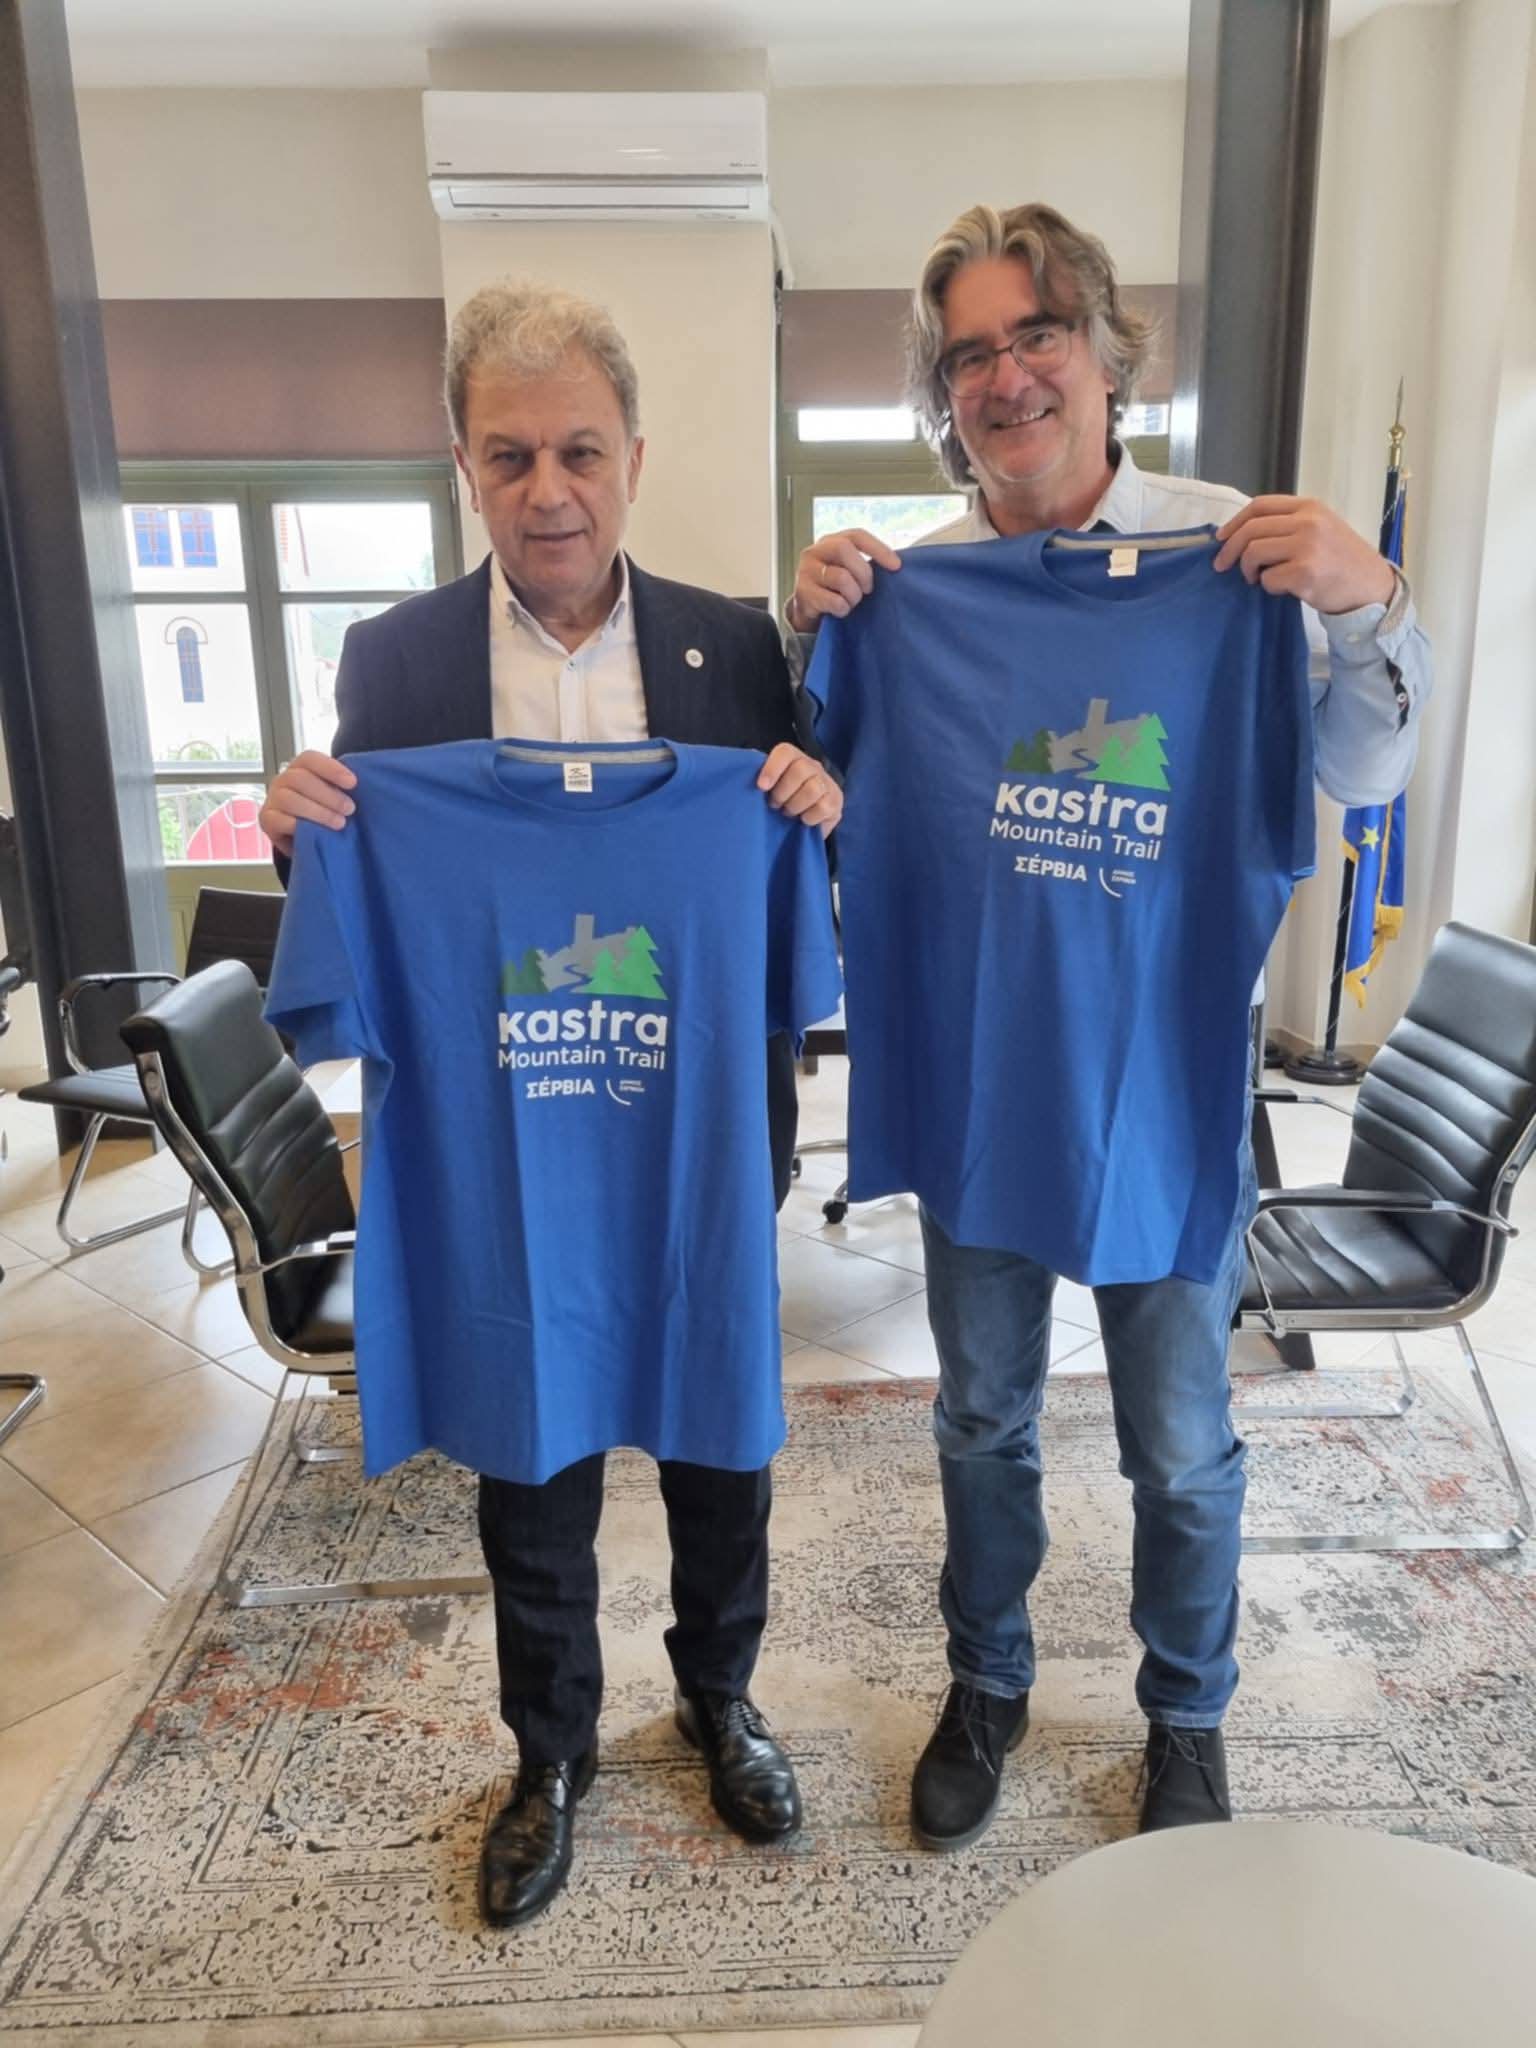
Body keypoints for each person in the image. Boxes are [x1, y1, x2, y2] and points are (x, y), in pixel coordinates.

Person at [788, 202, 1430, 1844]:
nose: (1008, 376)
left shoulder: (1232, 561)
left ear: (1103, 352)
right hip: (983, 1083)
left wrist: (1369, 601)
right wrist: (813, 638)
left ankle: (1187, 1719)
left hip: (1163, 1091)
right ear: (943, 394)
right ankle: (986, 1682)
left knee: (1183, 1446)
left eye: (1039, 334)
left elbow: (1359, 774)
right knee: (980, 1418)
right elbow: (812, 802)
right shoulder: (909, 590)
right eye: (970, 355)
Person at [260, 279, 842, 1929]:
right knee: (532, 1462)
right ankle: (552, 1753)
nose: (550, 490)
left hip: (695, 1144)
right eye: (509, 456)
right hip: (506, 1157)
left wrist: (819, 799)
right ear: (464, 468)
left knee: (720, 1445)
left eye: (580, 450)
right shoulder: (394, 664)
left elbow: (803, 878)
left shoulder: (739, 649)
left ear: (634, 458)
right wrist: (303, 833)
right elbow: (366, 889)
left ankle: (721, 1700)